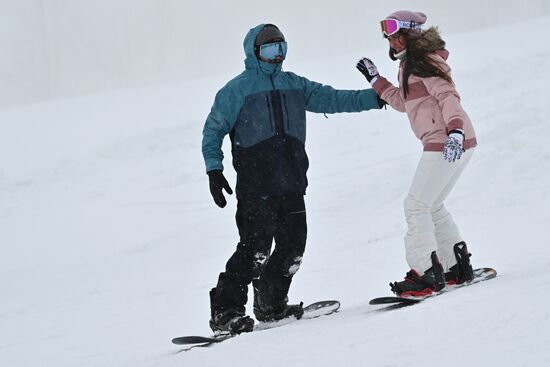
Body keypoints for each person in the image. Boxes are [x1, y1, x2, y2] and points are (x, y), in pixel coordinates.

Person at [202, 23, 384, 334]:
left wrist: (378, 98)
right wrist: (214, 169)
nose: (277, 56)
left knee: (293, 247)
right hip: (256, 187)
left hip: (291, 182)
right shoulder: (237, 90)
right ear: (254, 52)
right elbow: (213, 129)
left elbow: (333, 99)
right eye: (270, 50)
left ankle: (271, 304)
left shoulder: (294, 85)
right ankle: (226, 312)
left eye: (281, 48)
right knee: (254, 252)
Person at [356, 10, 477, 297]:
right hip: (453, 140)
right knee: (431, 205)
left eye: (396, 35)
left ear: (411, 32)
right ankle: (454, 266)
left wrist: (455, 131)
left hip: (447, 140)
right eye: (388, 36)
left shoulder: (422, 60)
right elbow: (403, 102)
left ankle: (425, 273)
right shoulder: (410, 63)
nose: (392, 41)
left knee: (416, 206)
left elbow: (448, 95)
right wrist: (376, 80)